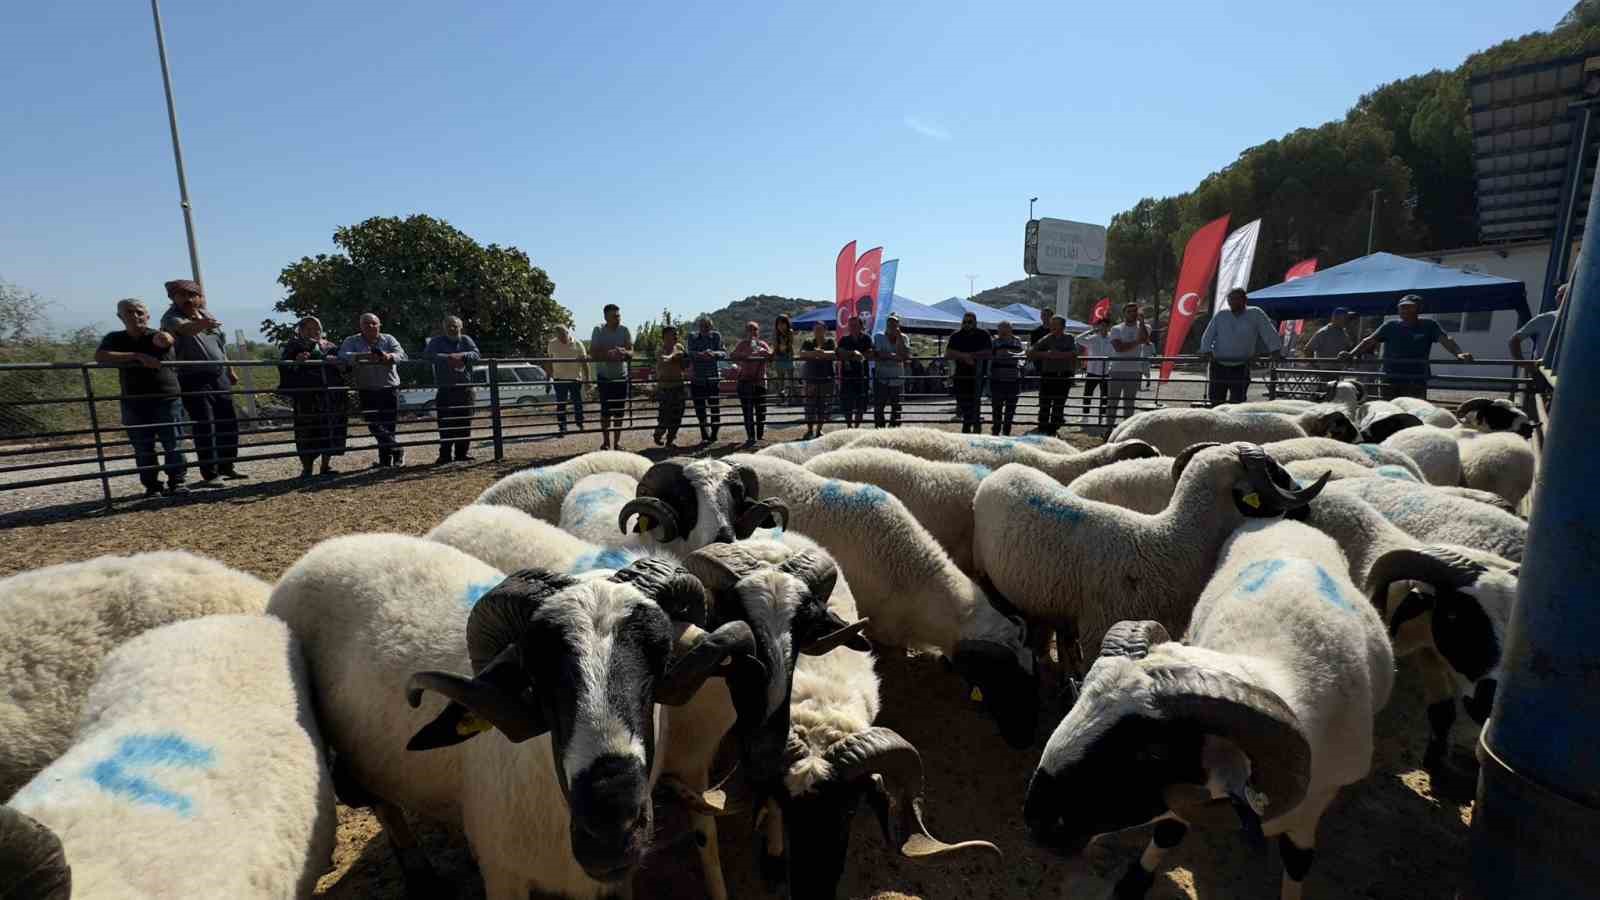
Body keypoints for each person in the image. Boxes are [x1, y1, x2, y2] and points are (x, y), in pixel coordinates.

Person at [95, 298, 189, 497]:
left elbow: (166, 340)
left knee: (173, 443)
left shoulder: (157, 335)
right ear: (120, 317)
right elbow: (101, 356)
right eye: (129, 312)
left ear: (148, 316)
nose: (135, 316)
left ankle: (177, 482)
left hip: (166, 398)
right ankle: (152, 485)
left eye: (139, 312)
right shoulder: (115, 338)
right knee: (142, 446)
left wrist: (167, 337)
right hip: (134, 401)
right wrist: (137, 356)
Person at [159, 279, 243, 482]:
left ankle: (227, 465)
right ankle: (210, 473)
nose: (188, 299)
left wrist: (229, 369)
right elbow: (185, 330)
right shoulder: (172, 318)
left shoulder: (207, 315)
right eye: (183, 295)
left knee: (228, 421)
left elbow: (220, 346)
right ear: (173, 298)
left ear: (199, 297)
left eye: (192, 294)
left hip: (218, 375)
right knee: (205, 424)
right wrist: (202, 325)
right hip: (192, 377)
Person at [1340, 294, 1473, 400]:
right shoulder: (1390, 326)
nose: (1404, 309)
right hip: (1391, 377)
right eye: (1402, 307)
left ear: (1419, 309)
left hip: (1416, 379)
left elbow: (1446, 340)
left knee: (1415, 411)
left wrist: (1458, 353)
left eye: (1410, 307)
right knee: (1389, 410)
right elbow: (1369, 341)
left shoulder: (1429, 325)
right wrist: (1351, 354)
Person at [278, 316, 347, 478]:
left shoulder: (329, 346)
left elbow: (344, 368)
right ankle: (307, 467)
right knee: (306, 431)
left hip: (330, 395)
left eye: (316, 328)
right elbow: (283, 366)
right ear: (300, 330)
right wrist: (296, 362)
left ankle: (325, 465)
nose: (313, 332)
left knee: (329, 428)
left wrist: (338, 363)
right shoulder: (293, 346)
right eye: (308, 328)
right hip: (306, 396)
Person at [338, 313, 408, 468]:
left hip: (389, 387)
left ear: (379, 325)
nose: (370, 326)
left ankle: (386, 461)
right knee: (373, 424)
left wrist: (388, 356)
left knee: (389, 425)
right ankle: (397, 448)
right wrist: (365, 357)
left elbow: (401, 354)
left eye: (373, 323)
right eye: (366, 324)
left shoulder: (388, 339)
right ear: (360, 326)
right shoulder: (351, 340)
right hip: (366, 388)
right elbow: (343, 355)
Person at [1198, 287, 1281, 405]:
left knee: (1238, 401)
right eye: (1230, 299)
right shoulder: (1221, 315)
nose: (1232, 302)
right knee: (1216, 400)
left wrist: (1275, 350)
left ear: (1244, 300)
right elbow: (1209, 334)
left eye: (1236, 299)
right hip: (1218, 365)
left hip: (1241, 366)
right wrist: (1206, 350)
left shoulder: (1256, 313)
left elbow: (1268, 332)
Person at [421, 316, 480, 464]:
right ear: (444, 327)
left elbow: (476, 354)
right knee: (445, 424)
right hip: (445, 389)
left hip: (465, 389)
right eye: (449, 326)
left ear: (460, 327)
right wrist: (448, 358)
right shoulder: (436, 341)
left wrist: (462, 355)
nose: (452, 328)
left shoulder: (466, 340)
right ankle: (445, 455)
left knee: (465, 423)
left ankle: (462, 454)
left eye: (455, 326)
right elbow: (428, 355)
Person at [589, 303, 633, 450]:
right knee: (606, 411)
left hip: (621, 376)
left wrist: (624, 353)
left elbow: (632, 352)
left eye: (619, 315)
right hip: (605, 378)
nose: (618, 318)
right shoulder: (598, 330)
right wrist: (609, 353)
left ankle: (617, 443)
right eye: (614, 316)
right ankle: (606, 441)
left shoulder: (624, 330)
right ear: (606, 317)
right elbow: (593, 353)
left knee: (619, 412)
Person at [1027, 315, 1078, 435]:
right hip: (1048, 375)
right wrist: (1047, 354)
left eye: (1056, 324)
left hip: (1063, 375)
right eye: (1052, 324)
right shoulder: (1047, 338)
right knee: (1045, 402)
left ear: (1063, 326)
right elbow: (1031, 351)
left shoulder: (1069, 338)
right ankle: (1042, 428)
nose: (1052, 327)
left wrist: (1059, 354)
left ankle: (1053, 429)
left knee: (1059, 403)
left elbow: (1074, 353)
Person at [945, 313, 991, 434]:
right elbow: (948, 353)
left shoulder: (983, 334)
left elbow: (989, 352)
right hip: (961, 374)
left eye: (969, 322)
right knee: (962, 400)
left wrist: (971, 356)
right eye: (964, 322)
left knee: (975, 401)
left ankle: (971, 426)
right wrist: (964, 356)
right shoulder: (956, 335)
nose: (967, 324)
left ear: (975, 322)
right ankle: (969, 423)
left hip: (978, 375)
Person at [731, 321, 772, 447]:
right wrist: (746, 355)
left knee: (761, 411)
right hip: (745, 382)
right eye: (750, 329)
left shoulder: (762, 344)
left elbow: (771, 355)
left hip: (760, 382)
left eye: (755, 329)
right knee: (747, 411)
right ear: (746, 332)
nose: (753, 332)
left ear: (758, 332)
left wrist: (765, 353)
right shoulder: (742, 344)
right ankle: (750, 437)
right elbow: (732, 355)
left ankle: (759, 437)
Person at [1106, 303, 1147, 427]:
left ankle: (1126, 430)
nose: (1132, 314)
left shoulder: (1143, 327)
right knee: (1112, 401)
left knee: (1129, 403)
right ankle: (1109, 428)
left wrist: (1142, 323)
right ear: (1124, 313)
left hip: (1134, 370)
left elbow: (1145, 339)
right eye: (1129, 311)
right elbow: (1119, 348)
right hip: (1116, 369)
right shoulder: (1116, 328)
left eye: (1134, 311)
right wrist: (1136, 342)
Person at [687, 316, 727, 442]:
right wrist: (701, 354)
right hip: (697, 378)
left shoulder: (716, 336)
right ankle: (705, 435)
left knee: (714, 407)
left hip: (712, 378)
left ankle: (714, 435)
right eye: (702, 326)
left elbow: (723, 353)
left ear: (711, 327)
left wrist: (713, 354)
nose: (705, 328)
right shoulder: (692, 337)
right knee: (700, 409)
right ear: (699, 327)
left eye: (707, 326)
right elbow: (690, 353)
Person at [1509, 282, 1566, 367]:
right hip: (1542, 371)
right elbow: (1514, 340)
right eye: (1560, 296)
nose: (1561, 299)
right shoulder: (1545, 318)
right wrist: (1525, 365)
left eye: (1564, 296)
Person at [544, 325, 589, 435]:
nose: (562, 337)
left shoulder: (578, 344)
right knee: (561, 404)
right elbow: (549, 362)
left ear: (568, 333)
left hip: (575, 379)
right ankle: (562, 427)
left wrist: (587, 379)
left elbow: (584, 363)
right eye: (560, 336)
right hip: (559, 379)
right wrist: (547, 379)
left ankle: (580, 423)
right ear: (556, 335)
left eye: (564, 334)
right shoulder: (552, 344)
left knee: (577, 403)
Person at [871, 314, 911, 428]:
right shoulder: (879, 336)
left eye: (894, 324)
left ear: (898, 325)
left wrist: (899, 339)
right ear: (886, 325)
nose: (892, 327)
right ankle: (880, 430)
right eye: (890, 324)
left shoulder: (904, 338)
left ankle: (894, 430)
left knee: (897, 406)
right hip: (881, 377)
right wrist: (894, 356)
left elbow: (905, 355)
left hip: (897, 378)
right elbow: (878, 354)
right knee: (879, 406)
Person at [799, 322, 836, 439]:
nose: (818, 332)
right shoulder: (808, 342)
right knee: (810, 406)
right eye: (816, 329)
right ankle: (809, 430)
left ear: (825, 330)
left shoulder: (830, 342)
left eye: (820, 329)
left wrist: (822, 353)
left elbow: (834, 353)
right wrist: (815, 353)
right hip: (811, 378)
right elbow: (802, 353)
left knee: (823, 406)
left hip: (826, 378)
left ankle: (819, 430)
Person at [988, 321, 1026, 435]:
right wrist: (998, 356)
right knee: (996, 408)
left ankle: (1006, 432)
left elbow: (1023, 356)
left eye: (1005, 329)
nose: (1003, 332)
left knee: (1010, 409)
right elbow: (989, 357)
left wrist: (1013, 355)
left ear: (1010, 330)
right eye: (1000, 329)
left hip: (1013, 379)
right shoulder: (994, 342)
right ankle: (995, 431)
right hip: (997, 379)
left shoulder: (1017, 341)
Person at [835, 316, 873, 428]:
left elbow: (870, 353)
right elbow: (838, 351)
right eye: (851, 325)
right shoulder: (844, 339)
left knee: (861, 405)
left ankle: (856, 427)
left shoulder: (867, 338)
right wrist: (853, 353)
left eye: (855, 325)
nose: (853, 327)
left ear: (861, 326)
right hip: (847, 377)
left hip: (862, 376)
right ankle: (849, 427)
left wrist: (856, 355)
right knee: (847, 404)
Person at [653, 324, 688, 446]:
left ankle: (670, 439)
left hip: (678, 385)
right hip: (665, 387)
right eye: (673, 333)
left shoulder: (679, 347)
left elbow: (684, 363)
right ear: (666, 336)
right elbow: (664, 359)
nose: (676, 335)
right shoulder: (660, 350)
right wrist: (674, 357)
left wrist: (681, 359)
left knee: (678, 414)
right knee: (664, 414)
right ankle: (659, 433)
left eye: (676, 333)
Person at [1076, 317, 1114, 427]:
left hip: (1106, 372)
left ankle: (1102, 418)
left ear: (1108, 327)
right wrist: (1092, 330)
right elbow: (1078, 339)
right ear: (1098, 326)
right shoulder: (1093, 338)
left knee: (1105, 396)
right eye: (1101, 325)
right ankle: (1085, 417)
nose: (1103, 327)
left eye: (1106, 325)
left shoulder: (1112, 338)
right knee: (1087, 394)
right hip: (1092, 371)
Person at [1028, 307, 1054, 426]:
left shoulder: (1057, 332)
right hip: (1042, 367)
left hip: (1057, 367)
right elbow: (1033, 349)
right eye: (1043, 315)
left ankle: (1056, 417)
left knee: (1056, 392)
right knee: (1043, 394)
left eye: (1048, 315)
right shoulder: (1036, 332)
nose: (1045, 318)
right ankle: (1043, 418)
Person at [771, 314, 796, 406]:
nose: (781, 326)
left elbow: (790, 344)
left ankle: (792, 398)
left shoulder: (790, 332)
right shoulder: (775, 333)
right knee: (780, 379)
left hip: (788, 356)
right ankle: (781, 398)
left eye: (783, 324)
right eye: (779, 324)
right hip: (779, 357)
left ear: (787, 324)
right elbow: (775, 346)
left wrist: (784, 341)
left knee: (791, 379)